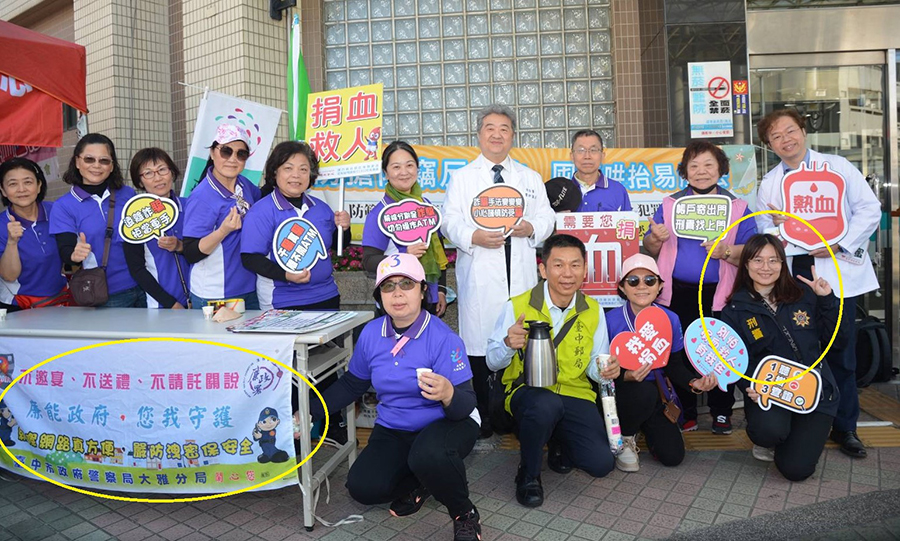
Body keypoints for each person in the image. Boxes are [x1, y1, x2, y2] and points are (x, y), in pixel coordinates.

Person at [309, 253, 482, 541]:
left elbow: (466, 404)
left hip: (447, 422)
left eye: (407, 284)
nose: (397, 293)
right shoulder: (371, 334)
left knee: (430, 455)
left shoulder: (444, 338)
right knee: (362, 488)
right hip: (394, 427)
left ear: (423, 290)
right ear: (379, 296)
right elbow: (352, 384)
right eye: (388, 286)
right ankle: (424, 481)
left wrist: (448, 393)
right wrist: (309, 411)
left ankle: (464, 513)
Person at [756, 108, 879, 459]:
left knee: (840, 350)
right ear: (769, 145)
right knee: (797, 349)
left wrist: (839, 244)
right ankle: (802, 420)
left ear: (803, 131)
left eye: (790, 131)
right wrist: (778, 227)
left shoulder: (837, 168)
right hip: (794, 277)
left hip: (835, 273)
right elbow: (765, 232)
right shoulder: (770, 183)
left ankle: (845, 427)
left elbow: (870, 209)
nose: (785, 140)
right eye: (776, 136)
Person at [442, 103, 556, 439]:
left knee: (519, 341)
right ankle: (483, 415)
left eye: (504, 129)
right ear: (479, 135)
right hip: (481, 273)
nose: (496, 135)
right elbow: (449, 221)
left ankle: (517, 413)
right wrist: (472, 236)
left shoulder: (529, 178)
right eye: (489, 128)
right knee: (479, 346)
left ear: (513, 136)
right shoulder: (463, 178)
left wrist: (531, 228)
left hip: (519, 272)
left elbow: (548, 218)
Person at [487, 234, 619, 508]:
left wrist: (606, 371)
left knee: (601, 464)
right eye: (558, 265)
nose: (567, 273)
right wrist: (508, 344)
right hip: (529, 393)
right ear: (543, 269)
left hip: (575, 393)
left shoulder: (593, 310)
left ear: (585, 269)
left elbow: (595, 363)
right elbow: (492, 362)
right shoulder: (517, 306)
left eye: (575, 265)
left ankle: (558, 440)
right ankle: (528, 474)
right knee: (545, 405)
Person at [643, 140, 757, 434]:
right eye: (693, 166)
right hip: (676, 293)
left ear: (721, 169)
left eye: (708, 164)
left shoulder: (738, 206)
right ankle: (687, 412)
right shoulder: (669, 205)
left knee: (719, 352)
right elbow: (651, 247)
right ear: (685, 171)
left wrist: (726, 252)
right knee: (680, 353)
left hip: (720, 294)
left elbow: (752, 252)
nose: (701, 171)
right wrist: (655, 238)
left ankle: (722, 412)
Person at [721, 234, 844, 481]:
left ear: (782, 263)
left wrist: (827, 300)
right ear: (746, 264)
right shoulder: (734, 310)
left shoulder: (805, 295)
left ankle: (801, 435)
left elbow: (839, 342)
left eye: (773, 260)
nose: (765, 267)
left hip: (816, 392)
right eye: (758, 260)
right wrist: (750, 385)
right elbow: (736, 362)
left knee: (796, 471)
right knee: (768, 431)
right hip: (772, 392)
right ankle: (773, 438)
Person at [607, 254, 718, 472]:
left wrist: (694, 382)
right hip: (622, 392)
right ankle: (625, 437)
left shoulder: (670, 318)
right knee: (642, 391)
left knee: (673, 456)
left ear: (659, 286)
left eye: (650, 280)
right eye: (633, 281)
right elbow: (600, 369)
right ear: (622, 287)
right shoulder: (610, 320)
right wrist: (625, 375)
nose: (642, 286)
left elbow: (674, 365)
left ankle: (646, 427)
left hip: (657, 394)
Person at [241, 141, 349, 310]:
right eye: (288, 168)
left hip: (326, 295)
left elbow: (337, 244)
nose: (296, 175)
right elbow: (250, 258)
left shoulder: (321, 208)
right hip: (282, 301)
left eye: (303, 169)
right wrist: (286, 275)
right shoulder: (261, 211)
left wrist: (344, 228)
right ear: (275, 171)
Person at [50, 133, 144, 307]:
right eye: (89, 159)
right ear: (77, 162)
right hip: (106, 293)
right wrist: (74, 255)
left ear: (112, 166)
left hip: (146, 284)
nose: (96, 165)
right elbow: (66, 250)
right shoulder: (63, 206)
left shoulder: (128, 194)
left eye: (104, 160)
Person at [362, 141, 448, 316]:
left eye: (409, 165)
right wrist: (403, 256)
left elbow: (438, 250)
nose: (404, 172)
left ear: (417, 168)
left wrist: (440, 289)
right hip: (396, 301)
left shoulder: (425, 206)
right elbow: (369, 261)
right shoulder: (380, 213)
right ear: (386, 173)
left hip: (428, 296)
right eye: (396, 167)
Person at [183, 124, 262, 309]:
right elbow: (190, 252)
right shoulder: (202, 197)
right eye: (226, 151)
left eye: (241, 154)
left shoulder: (244, 185)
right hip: (216, 293)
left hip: (250, 286)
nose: (233, 159)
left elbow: (263, 203)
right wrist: (223, 231)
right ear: (212, 153)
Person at [123, 148, 190, 309]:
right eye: (148, 173)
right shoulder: (135, 218)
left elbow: (204, 249)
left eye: (162, 169)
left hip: (200, 297)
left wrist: (180, 246)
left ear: (172, 172)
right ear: (140, 182)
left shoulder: (190, 206)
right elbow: (137, 269)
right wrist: (171, 304)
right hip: (162, 306)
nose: (158, 178)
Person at [0, 158, 70, 310]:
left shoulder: (57, 212)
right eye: (13, 184)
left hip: (60, 299)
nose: (21, 189)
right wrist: (12, 242)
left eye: (28, 182)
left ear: (39, 186)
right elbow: (9, 276)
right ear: (3, 191)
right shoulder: (1, 224)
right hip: (18, 305)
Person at [567, 129, 632, 212]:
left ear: (602, 156)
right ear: (572, 156)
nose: (587, 156)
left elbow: (627, 219)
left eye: (593, 150)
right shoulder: (563, 192)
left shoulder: (618, 190)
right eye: (581, 150)